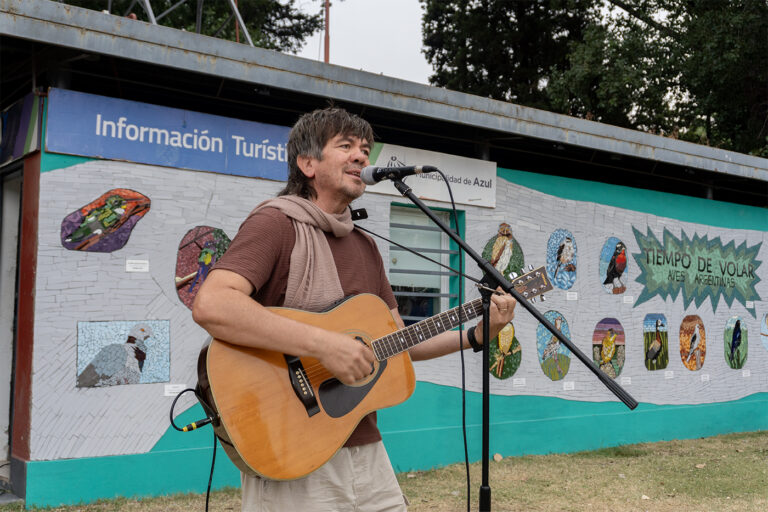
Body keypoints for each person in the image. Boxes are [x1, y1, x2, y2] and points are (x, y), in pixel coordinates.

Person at [192, 107, 517, 512]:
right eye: (345, 146)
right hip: (291, 444)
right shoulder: (275, 225)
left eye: (365, 149)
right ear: (307, 163)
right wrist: (324, 345)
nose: (362, 157)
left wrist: (476, 335)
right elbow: (213, 304)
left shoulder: (365, 246)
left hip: (364, 444)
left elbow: (399, 342)